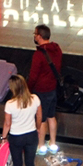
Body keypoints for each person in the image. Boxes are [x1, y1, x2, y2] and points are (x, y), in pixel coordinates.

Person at [1, 75, 42, 166]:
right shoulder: (35, 99)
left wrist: (3, 137)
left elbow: (7, 123)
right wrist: (38, 128)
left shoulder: (10, 104)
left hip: (16, 137)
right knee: (30, 163)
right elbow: (39, 116)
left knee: (17, 164)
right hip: (31, 135)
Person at [27, 24, 62, 155]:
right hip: (53, 88)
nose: (34, 36)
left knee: (41, 119)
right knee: (51, 116)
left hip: (41, 90)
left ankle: (41, 146)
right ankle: (53, 143)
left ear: (39, 36)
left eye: (35, 34)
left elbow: (33, 75)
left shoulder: (38, 55)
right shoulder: (57, 49)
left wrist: (28, 89)